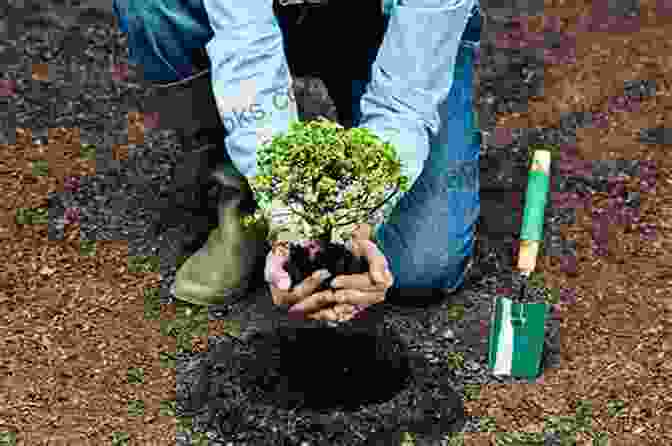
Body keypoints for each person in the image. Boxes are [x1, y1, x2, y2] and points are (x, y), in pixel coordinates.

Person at [113, 0, 482, 323]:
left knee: (421, 266)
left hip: (386, 25)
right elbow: (246, 50)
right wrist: (284, 211)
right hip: (261, 15)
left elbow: (405, 102)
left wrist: (363, 211)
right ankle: (241, 200)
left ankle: (336, 191)